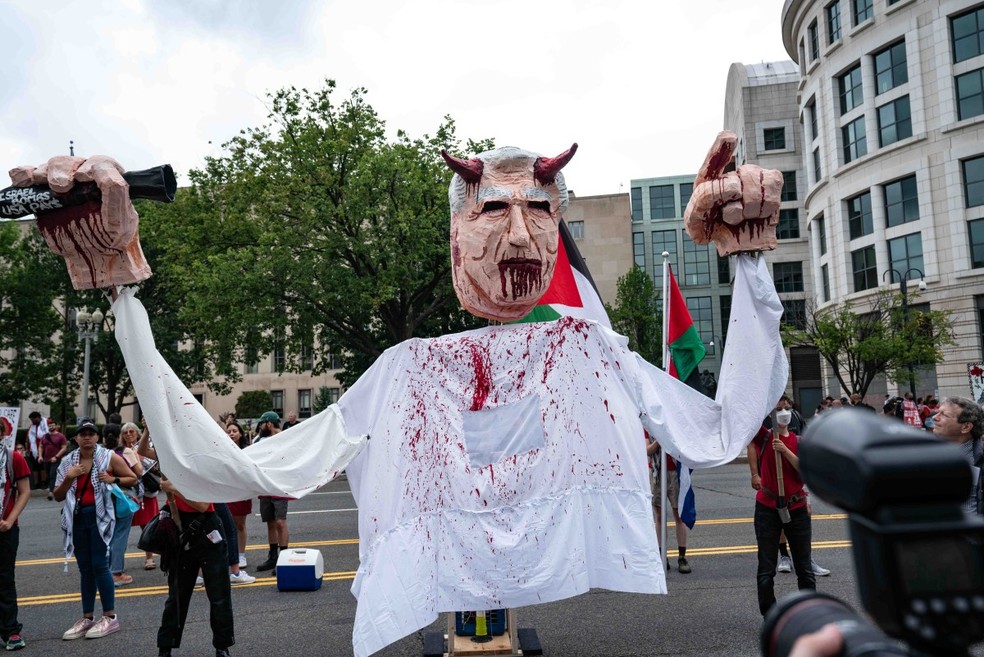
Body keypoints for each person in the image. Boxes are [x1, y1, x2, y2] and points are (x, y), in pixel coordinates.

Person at [37, 138, 790, 657]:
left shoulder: (586, 351)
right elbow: (227, 468)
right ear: (456, 232)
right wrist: (121, 285)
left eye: (541, 209)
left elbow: (723, 426)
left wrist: (748, 260)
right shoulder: (406, 373)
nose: (523, 235)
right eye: (495, 209)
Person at [53, 419, 138, 640]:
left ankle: (110, 617)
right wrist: (69, 477)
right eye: (83, 433)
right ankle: (87, 617)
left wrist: (113, 478)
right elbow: (58, 496)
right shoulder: (67, 463)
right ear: (76, 438)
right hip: (78, 517)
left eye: (91, 433)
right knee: (85, 568)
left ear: (97, 437)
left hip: (101, 517)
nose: (87, 437)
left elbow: (133, 477)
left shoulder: (108, 457)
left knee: (100, 564)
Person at [156, 479, 234, 657]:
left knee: (218, 595)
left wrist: (173, 489)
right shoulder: (172, 457)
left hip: (207, 529)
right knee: (177, 595)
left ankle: (222, 646)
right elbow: (145, 451)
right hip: (179, 528)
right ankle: (165, 647)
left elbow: (203, 505)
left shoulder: (203, 462)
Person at [749, 407, 816, 616]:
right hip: (767, 508)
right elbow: (747, 420)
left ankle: (809, 613)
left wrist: (785, 451)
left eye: (787, 408)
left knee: (804, 568)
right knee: (766, 569)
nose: (783, 412)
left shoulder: (800, 442)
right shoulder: (765, 436)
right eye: (778, 409)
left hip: (796, 508)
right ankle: (770, 614)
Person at [0, 416, 31, 651]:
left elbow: (24, 491)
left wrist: (10, 520)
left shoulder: (13, 458)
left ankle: (10, 631)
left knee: (5, 580)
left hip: (6, 529)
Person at [104, 423, 143, 587]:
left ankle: (105, 570)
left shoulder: (101, 453)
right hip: (123, 496)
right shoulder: (125, 452)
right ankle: (116, 572)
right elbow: (138, 473)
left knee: (108, 534)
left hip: (105, 497)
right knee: (120, 534)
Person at [931, 396, 983, 514]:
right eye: (938, 412)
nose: (934, 417)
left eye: (944, 415)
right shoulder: (927, 453)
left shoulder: (979, 458)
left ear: (965, 427)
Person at [647, 437, 691, 573]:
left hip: (675, 472)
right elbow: (648, 450)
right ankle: (662, 556)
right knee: (659, 517)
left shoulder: (674, 421)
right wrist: (660, 438)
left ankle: (682, 557)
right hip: (657, 472)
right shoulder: (649, 424)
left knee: (679, 515)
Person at [253, 412, 289, 573]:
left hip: (280, 485)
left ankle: (284, 558)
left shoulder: (284, 437)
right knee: (270, 523)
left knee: (280, 522)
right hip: (265, 486)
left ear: (269, 424)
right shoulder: (258, 440)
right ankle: (273, 556)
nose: (260, 426)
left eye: (262, 423)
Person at [127, 422, 161, 570]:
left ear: (137, 434)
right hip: (127, 493)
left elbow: (156, 468)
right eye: (125, 432)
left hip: (146, 492)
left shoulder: (143, 448)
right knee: (121, 528)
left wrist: (140, 462)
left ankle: (149, 557)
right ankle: (116, 562)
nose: (129, 434)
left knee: (147, 525)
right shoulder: (119, 451)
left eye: (132, 431)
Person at [224, 424, 252, 568]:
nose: (231, 434)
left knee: (239, 524)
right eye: (228, 431)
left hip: (241, 491)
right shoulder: (222, 450)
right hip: (226, 491)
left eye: (234, 431)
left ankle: (241, 555)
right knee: (226, 525)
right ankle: (230, 554)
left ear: (240, 434)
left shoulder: (248, 450)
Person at [40, 419, 68, 500]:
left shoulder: (60, 436)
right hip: (46, 459)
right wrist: (40, 456)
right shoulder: (45, 436)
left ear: (56, 426)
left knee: (53, 474)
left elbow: (64, 447)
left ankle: (51, 492)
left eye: (53, 425)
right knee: (48, 475)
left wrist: (56, 457)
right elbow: (41, 446)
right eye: (49, 426)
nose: (51, 427)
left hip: (56, 459)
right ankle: (54, 487)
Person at [25, 412, 48, 490]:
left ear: (37, 418)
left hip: (44, 449)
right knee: (35, 467)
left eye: (32, 419)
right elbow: (28, 439)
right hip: (33, 449)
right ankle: (36, 483)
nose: (31, 421)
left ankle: (43, 482)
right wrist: (28, 449)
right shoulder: (32, 427)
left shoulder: (46, 423)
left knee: (42, 466)